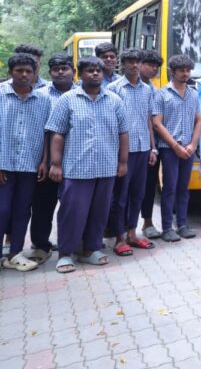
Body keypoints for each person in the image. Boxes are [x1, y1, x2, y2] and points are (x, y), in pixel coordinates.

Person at [46, 56, 129, 273]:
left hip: (106, 167)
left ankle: (90, 250)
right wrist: (55, 164)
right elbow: (57, 134)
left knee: (99, 211)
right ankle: (65, 253)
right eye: (90, 71)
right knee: (72, 211)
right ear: (80, 74)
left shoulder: (114, 101)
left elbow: (123, 133)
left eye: (98, 71)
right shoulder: (68, 99)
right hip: (76, 168)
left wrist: (122, 162)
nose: (95, 74)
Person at [0, 53, 52, 271]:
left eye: (28, 71)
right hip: (4, 165)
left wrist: (45, 161)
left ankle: (15, 254)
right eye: (19, 70)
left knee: (22, 210)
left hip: (30, 165)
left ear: (34, 74)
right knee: (2, 210)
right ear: (11, 72)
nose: (23, 75)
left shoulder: (43, 100)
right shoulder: (1, 95)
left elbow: (49, 133)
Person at [106, 48, 157, 255]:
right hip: (123, 152)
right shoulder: (113, 88)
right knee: (120, 196)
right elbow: (109, 122)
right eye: (130, 61)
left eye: (137, 61)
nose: (134, 65)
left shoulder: (147, 89)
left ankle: (132, 233)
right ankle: (118, 238)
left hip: (143, 148)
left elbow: (148, 120)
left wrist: (153, 147)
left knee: (138, 194)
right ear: (123, 64)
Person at [27, 54, 76, 265]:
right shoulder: (40, 95)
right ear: (50, 72)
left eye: (65, 67)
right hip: (46, 162)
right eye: (56, 68)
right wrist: (46, 162)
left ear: (73, 70)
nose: (61, 71)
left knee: (74, 206)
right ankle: (41, 245)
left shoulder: (84, 92)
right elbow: (42, 131)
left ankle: (74, 243)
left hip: (77, 161)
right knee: (43, 205)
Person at [152, 54, 201, 242]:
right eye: (181, 70)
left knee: (184, 187)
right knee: (169, 188)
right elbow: (157, 123)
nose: (185, 74)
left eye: (188, 70)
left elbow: (198, 121)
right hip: (169, 149)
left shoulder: (193, 94)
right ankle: (167, 228)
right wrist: (175, 146)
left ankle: (182, 224)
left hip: (188, 148)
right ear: (172, 71)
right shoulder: (161, 94)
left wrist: (193, 144)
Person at [138, 49, 164, 240]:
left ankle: (147, 222)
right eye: (150, 65)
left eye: (157, 66)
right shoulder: (118, 87)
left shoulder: (155, 91)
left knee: (148, 186)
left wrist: (153, 147)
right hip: (127, 148)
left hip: (149, 146)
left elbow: (153, 121)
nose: (154, 69)